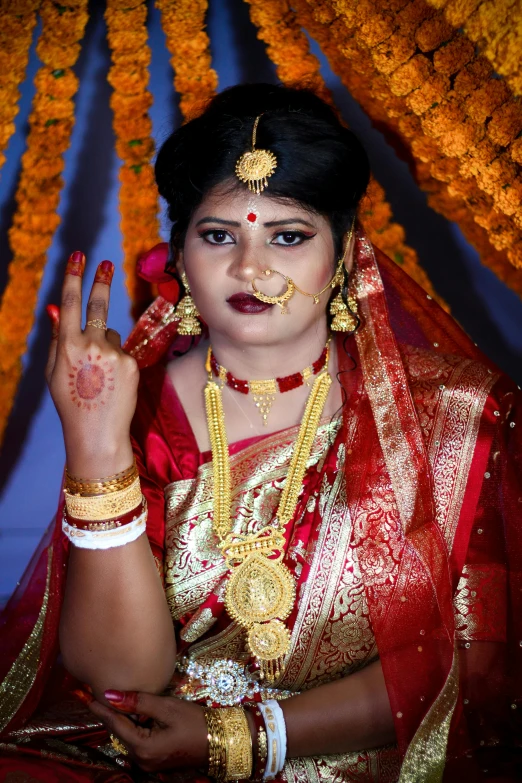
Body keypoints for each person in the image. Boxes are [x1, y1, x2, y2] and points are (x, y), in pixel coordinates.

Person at [0, 83, 520, 782]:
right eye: (220, 236)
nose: (251, 268)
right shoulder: (139, 409)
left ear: (342, 257)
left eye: (288, 235)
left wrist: (244, 738)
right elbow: (122, 680)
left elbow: (475, 664)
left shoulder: (452, 414)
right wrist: (97, 444)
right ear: (181, 257)